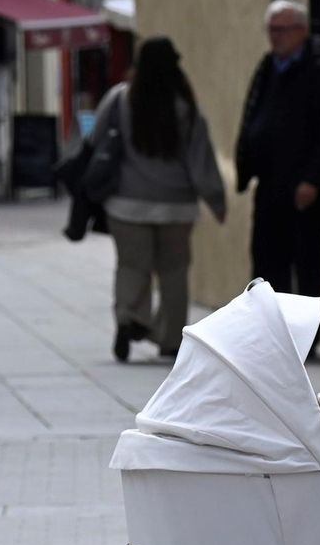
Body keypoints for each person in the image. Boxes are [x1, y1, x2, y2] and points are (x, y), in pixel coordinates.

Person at [89, 36, 226, 362]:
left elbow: (96, 140)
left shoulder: (120, 99)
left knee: (131, 266)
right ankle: (169, 338)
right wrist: (216, 200)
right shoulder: (186, 107)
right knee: (174, 272)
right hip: (176, 208)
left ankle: (128, 318)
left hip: (126, 204)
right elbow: (200, 159)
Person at [234, 0, 320, 322]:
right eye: (272, 30)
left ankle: (304, 334)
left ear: (302, 30)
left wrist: (313, 179)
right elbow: (253, 115)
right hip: (269, 183)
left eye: (283, 30)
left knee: (305, 262)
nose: (276, 37)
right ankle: (269, 330)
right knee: (267, 263)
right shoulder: (268, 68)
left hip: (303, 188)